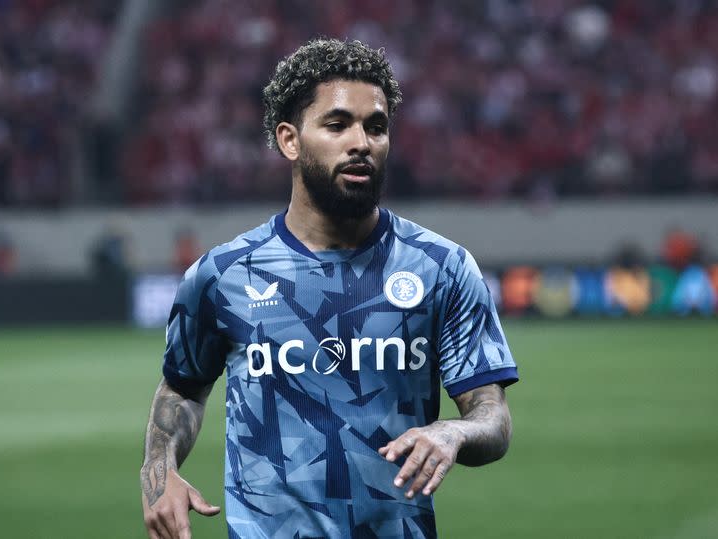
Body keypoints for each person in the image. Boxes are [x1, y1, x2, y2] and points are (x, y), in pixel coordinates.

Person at [140, 38, 519, 539]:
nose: (361, 141)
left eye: (376, 127)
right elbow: (181, 391)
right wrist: (157, 474)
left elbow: (492, 417)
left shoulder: (441, 269)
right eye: (337, 125)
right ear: (289, 140)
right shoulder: (223, 276)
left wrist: (454, 430)